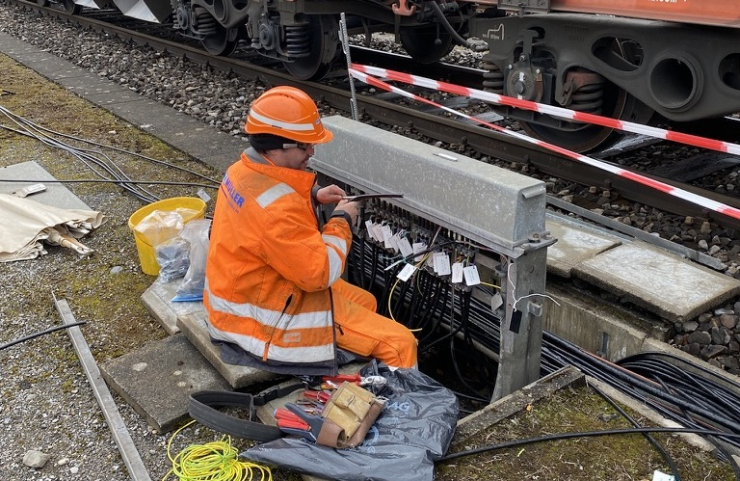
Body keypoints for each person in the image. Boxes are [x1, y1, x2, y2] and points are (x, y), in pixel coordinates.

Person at [203, 86, 417, 376]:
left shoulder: (241, 171)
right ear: (282, 146)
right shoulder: (277, 212)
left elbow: (271, 206)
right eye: (305, 146)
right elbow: (320, 273)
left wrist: (314, 194)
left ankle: (365, 371)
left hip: (246, 295)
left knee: (367, 301)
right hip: (262, 326)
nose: (312, 151)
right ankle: (401, 415)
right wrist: (342, 220)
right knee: (401, 343)